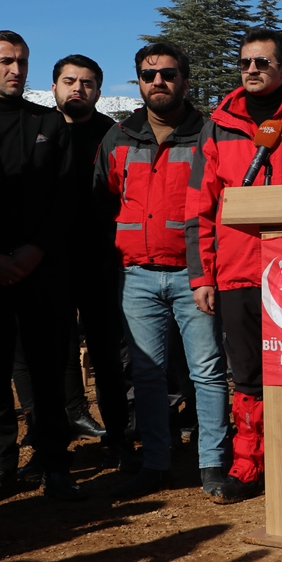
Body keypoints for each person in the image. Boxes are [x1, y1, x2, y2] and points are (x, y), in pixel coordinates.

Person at [187, 27, 282, 504]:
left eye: (262, 63)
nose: (252, 71)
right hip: (238, 271)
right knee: (246, 374)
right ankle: (248, 463)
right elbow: (200, 206)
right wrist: (203, 275)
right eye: (245, 63)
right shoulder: (218, 126)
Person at [94, 42, 230, 500]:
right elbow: (107, 195)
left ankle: (211, 462)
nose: (158, 82)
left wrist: (206, 271)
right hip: (137, 276)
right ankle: (156, 462)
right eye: (149, 75)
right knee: (148, 375)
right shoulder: (118, 138)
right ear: (138, 81)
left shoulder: (208, 134)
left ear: (185, 81)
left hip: (194, 275)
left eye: (168, 74)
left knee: (206, 371)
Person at [0, 30, 84, 505]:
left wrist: (34, 250)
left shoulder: (50, 123)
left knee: (48, 373)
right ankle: (2, 466)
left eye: (23, 62)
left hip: (41, 268)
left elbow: (67, 197)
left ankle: (55, 464)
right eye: (6, 61)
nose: (16, 70)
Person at [12, 55, 136, 483]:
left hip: (101, 258)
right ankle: (51, 444)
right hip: (48, 260)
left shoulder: (113, 135)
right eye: (69, 81)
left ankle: (119, 437)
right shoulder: (39, 130)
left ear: (98, 91)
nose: (77, 89)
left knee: (107, 354)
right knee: (51, 357)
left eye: (87, 83)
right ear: (54, 86)